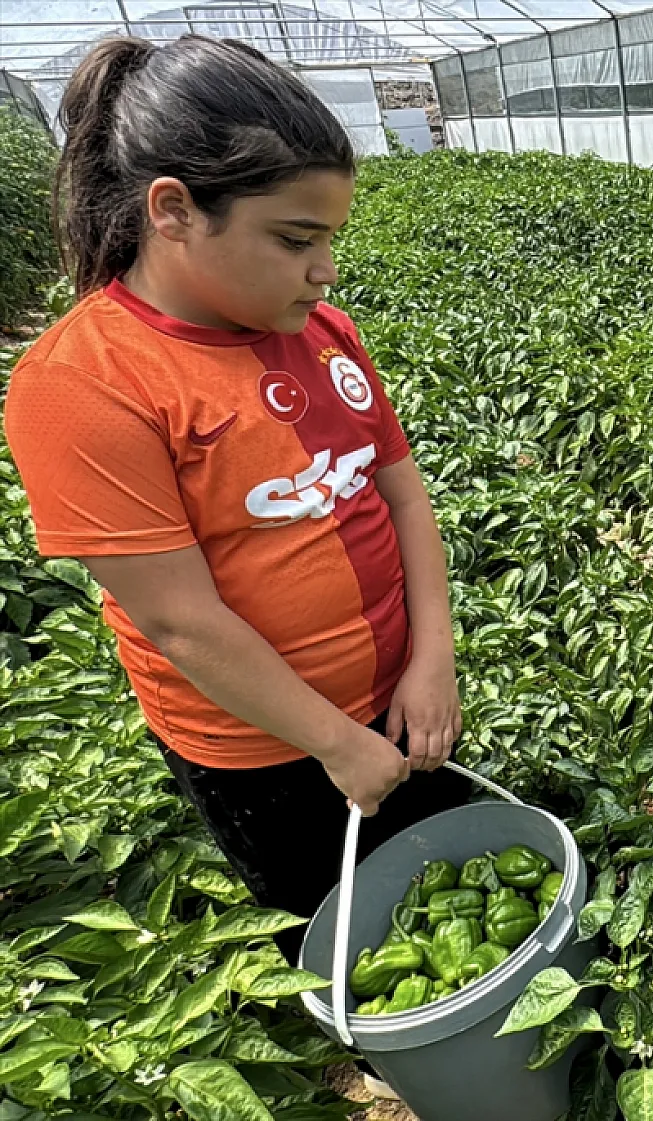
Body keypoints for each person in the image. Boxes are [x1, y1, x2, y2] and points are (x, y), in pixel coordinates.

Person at [2, 36, 471, 955]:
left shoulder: (324, 332)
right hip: (265, 747)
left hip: (400, 696)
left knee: (447, 885)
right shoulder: (83, 384)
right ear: (173, 211)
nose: (325, 268)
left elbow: (402, 498)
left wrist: (432, 660)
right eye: (296, 239)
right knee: (338, 929)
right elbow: (184, 624)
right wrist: (335, 741)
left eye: (330, 237)